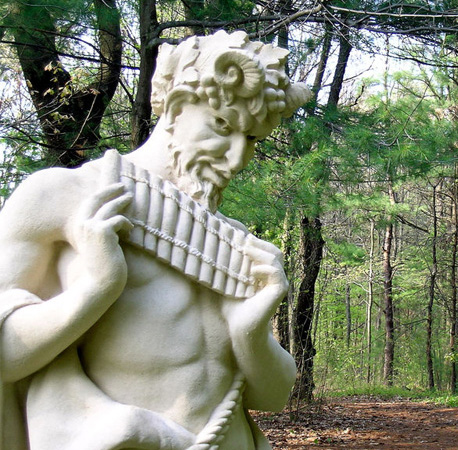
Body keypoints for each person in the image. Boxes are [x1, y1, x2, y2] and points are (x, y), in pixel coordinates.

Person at [0, 30, 311, 450]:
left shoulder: (234, 242)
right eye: (223, 125)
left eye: (252, 139)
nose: (237, 158)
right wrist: (98, 286)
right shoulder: (59, 196)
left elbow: (273, 397)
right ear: (176, 107)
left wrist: (250, 331)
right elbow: (5, 358)